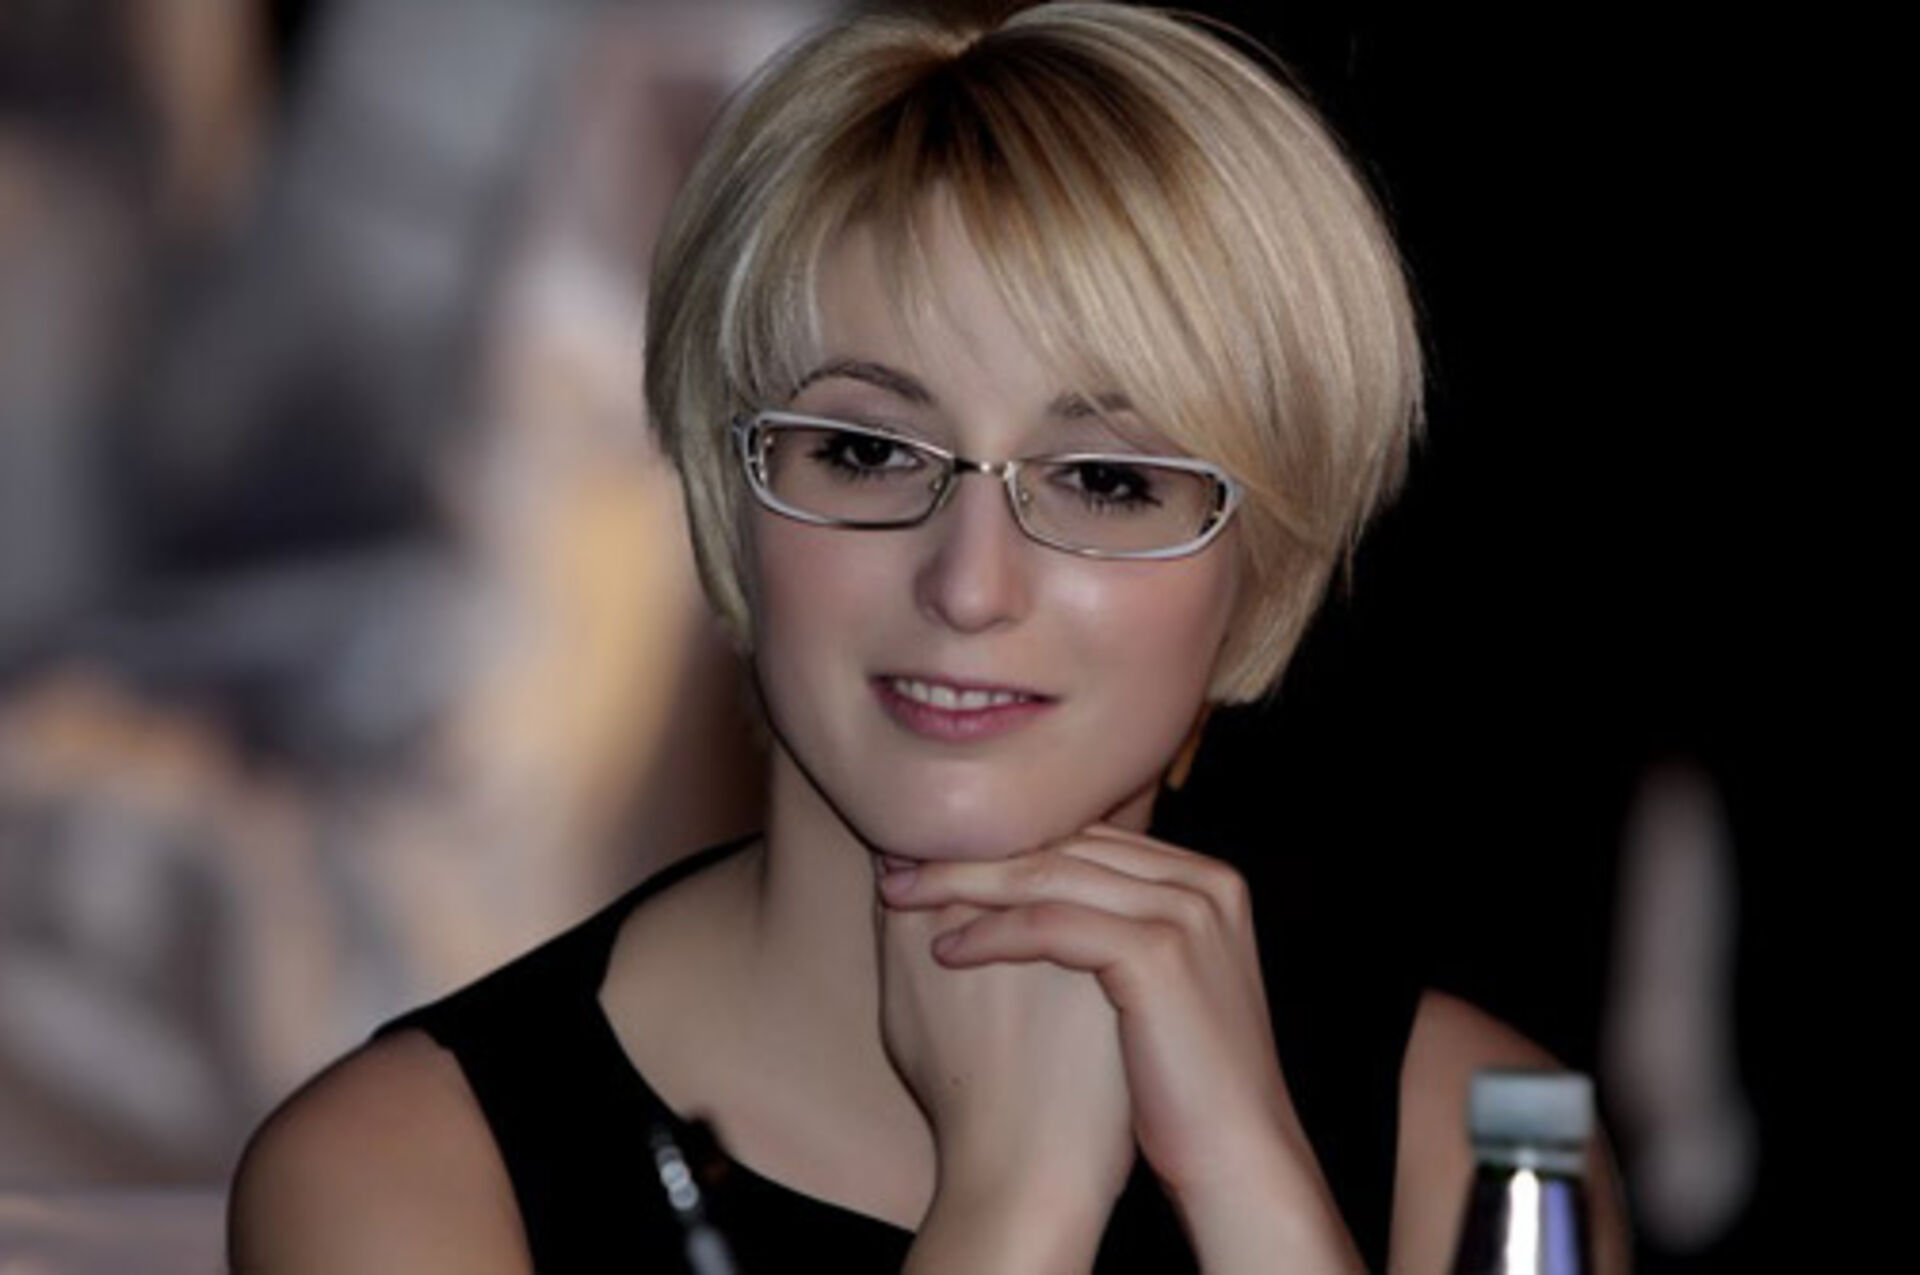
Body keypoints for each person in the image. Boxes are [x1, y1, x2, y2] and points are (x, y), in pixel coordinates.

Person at [229, 3, 1630, 1271]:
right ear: (730, 495)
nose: (969, 585)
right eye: (865, 451)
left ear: (1259, 565)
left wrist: (1255, 1194)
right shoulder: (396, 1178)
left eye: (1104, 480)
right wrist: (1013, 1206)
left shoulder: (1487, 1142)